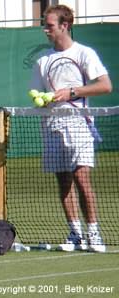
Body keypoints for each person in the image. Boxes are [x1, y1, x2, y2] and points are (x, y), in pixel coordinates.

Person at [29, 5, 112, 253]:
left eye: (50, 25)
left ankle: (93, 233)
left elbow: (105, 86)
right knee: (63, 181)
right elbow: (37, 91)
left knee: (80, 177)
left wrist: (72, 92)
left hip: (80, 123)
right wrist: (46, 97)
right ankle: (75, 233)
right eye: (45, 24)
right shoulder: (42, 60)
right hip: (53, 124)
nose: (45, 29)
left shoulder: (85, 53)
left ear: (64, 25)